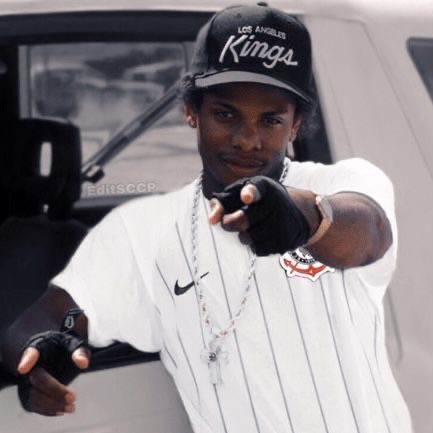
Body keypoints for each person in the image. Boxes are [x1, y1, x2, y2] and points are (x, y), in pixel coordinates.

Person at [2, 4, 413, 433]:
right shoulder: (142, 233)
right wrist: (37, 353)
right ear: (191, 112)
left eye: (271, 120)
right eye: (225, 114)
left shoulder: (344, 182)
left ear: (295, 126)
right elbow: (50, 318)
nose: (247, 139)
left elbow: (368, 232)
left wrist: (305, 216)